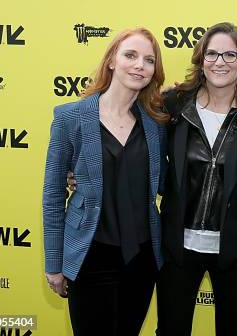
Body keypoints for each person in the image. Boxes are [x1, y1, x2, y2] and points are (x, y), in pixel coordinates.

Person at [42, 28, 168, 336]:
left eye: (149, 60)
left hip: (142, 258)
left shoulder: (155, 123)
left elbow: (164, 184)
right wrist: (53, 263)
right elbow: (53, 195)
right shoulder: (70, 117)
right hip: (90, 256)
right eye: (130, 55)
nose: (140, 65)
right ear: (111, 60)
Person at [156, 22, 237, 336]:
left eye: (231, 55)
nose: (221, 62)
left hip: (236, 246)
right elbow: (134, 147)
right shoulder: (174, 104)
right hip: (177, 244)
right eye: (212, 54)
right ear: (201, 60)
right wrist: (82, 173)